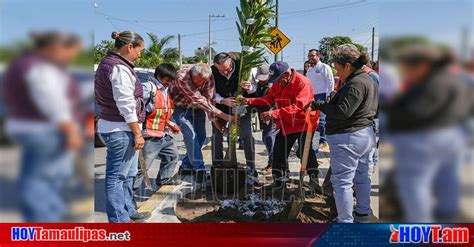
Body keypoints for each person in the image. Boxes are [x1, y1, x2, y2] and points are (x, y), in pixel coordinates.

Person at [3, 31, 83, 222]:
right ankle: (45, 221)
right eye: (69, 50)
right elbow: (53, 103)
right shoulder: (39, 67)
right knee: (38, 180)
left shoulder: (26, 64)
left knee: (54, 175)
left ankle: (55, 211)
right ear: (54, 47)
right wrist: (71, 131)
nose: (70, 56)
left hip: (37, 128)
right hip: (43, 130)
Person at [387, 44, 472, 222]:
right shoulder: (455, 79)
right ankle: (448, 215)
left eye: (407, 67)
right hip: (452, 136)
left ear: (423, 65)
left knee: (414, 184)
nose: (405, 72)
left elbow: (417, 112)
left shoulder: (434, 83)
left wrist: (394, 113)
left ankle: (422, 227)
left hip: (426, 138)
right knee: (448, 178)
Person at [307, 44, 378, 223]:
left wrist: (321, 105)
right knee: (362, 178)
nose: (337, 73)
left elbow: (342, 112)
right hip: (365, 135)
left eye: (338, 68)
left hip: (349, 137)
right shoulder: (367, 80)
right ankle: (362, 215)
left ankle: (345, 222)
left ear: (347, 65)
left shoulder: (356, 84)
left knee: (342, 183)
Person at [95, 31, 150, 223]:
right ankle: (119, 221)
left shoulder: (113, 64)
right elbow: (126, 104)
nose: (140, 55)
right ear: (129, 47)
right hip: (120, 130)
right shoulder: (119, 68)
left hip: (120, 128)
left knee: (128, 175)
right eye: (139, 50)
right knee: (117, 178)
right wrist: (137, 133)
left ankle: (128, 210)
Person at [242, 62, 321, 191]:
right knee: (279, 151)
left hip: (304, 122)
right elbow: (269, 99)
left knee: (304, 151)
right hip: (287, 122)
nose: (276, 83)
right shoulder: (278, 83)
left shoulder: (303, 83)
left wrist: (274, 113)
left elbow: (299, 107)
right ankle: (279, 181)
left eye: (278, 80)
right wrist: (249, 101)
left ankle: (314, 179)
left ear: (286, 75)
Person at [170, 63, 238, 183]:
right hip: (181, 108)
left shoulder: (208, 76)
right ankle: (199, 169)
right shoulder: (182, 76)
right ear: (193, 74)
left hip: (198, 109)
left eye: (203, 81)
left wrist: (214, 120)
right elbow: (198, 98)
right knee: (191, 136)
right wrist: (223, 115)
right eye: (199, 81)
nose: (201, 84)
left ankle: (185, 166)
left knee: (201, 137)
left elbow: (209, 98)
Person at [211, 52, 257, 185]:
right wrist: (222, 100)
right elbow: (209, 92)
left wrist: (249, 88)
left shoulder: (243, 66)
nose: (225, 72)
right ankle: (217, 166)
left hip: (240, 106)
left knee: (247, 134)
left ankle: (251, 168)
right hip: (222, 106)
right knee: (216, 135)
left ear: (231, 61)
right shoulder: (212, 71)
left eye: (227, 69)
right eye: (221, 71)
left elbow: (254, 86)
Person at [133, 63, 181, 192]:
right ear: (159, 76)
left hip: (163, 134)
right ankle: (130, 193)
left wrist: (170, 124)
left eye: (171, 81)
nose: (169, 83)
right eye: (167, 80)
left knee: (172, 155)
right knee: (142, 168)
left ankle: (164, 179)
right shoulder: (148, 88)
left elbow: (162, 112)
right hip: (150, 136)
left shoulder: (165, 90)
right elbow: (135, 109)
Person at [246, 63, 275, 174]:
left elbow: (269, 102)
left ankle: (273, 163)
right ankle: (272, 162)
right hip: (263, 115)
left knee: (269, 138)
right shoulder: (260, 85)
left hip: (271, 115)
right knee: (266, 138)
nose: (262, 80)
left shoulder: (272, 86)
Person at [306, 49, 334, 152]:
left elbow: (330, 82)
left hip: (323, 96)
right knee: (314, 121)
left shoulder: (324, 67)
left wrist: (328, 96)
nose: (310, 58)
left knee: (322, 121)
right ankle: (315, 144)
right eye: (309, 56)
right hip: (312, 97)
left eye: (312, 56)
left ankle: (323, 140)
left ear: (318, 56)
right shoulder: (309, 70)